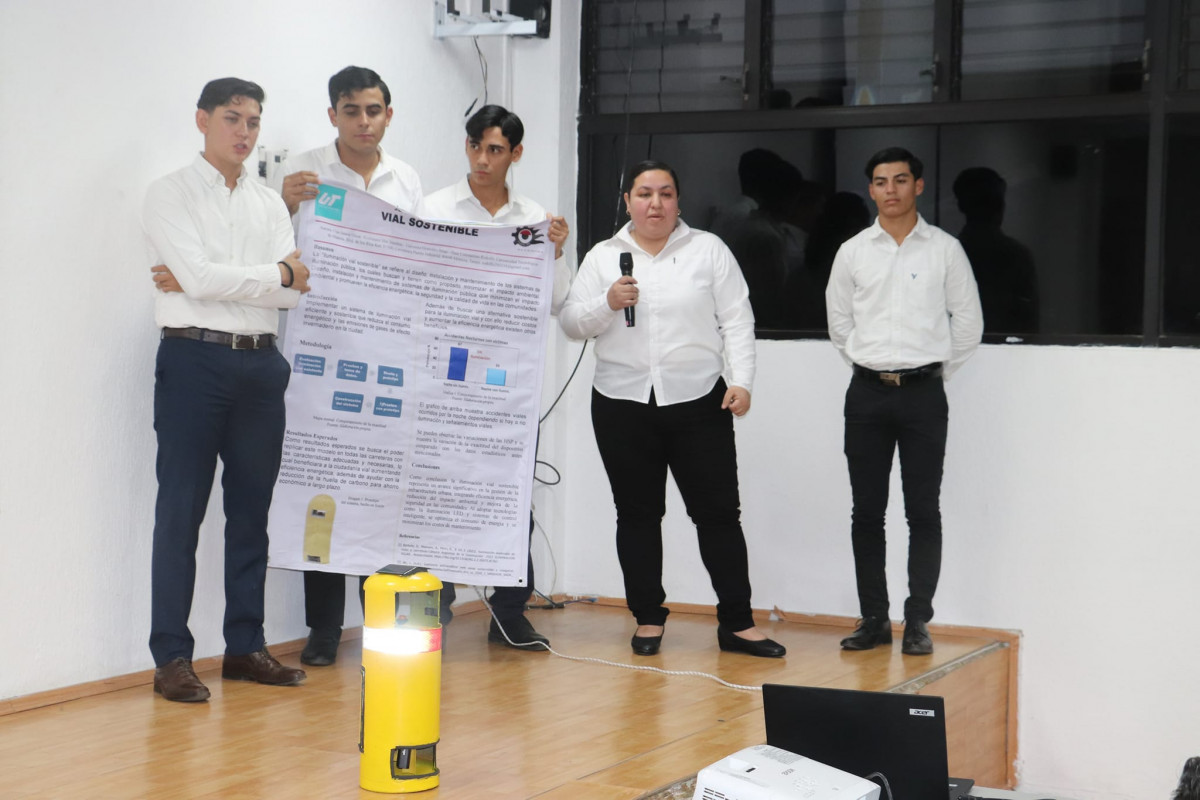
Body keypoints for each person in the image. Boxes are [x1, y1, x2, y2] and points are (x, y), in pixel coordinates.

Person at [560, 160, 785, 659]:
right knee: (637, 515)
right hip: (621, 403)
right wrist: (607, 302)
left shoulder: (709, 250)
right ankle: (647, 618)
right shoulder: (603, 257)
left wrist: (742, 382)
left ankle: (738, 624)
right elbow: (572, 323)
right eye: (644, 194)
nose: (655, 203)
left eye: (665, 193)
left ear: (678, 201)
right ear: (628, 202)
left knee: (719, 516)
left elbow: (737, 320)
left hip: (699, 400)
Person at [143, 77, 310, 702]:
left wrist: (216, 281)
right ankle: (172, 658)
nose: (244, 132)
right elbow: (205, 277)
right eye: (232, 118)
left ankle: (245, 647)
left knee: (250, 514)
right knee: (180, 513)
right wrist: (271, 274)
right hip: (194, 361)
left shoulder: (269, 204)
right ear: (203, 120)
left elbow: (293, 294)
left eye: (253, 122)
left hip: (261, 366)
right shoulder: (170, 193)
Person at [266, 66, 423, 668]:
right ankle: (324, 630)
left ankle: (382, 626)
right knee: (322, 491)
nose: (363, 121)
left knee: (379, 493)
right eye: (351, 110)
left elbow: (421, 258)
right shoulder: (304, 173)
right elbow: (269, 249)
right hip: (319, 359)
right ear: (333, 114)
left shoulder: (406, 179)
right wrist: (283, 203)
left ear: (388, 115)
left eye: (373, 110)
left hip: (387, 360)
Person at [420, 104, 572, 650]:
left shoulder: (533, 217)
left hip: (508, 385)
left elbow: (558, 301)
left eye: (496, 149)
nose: (483, 159)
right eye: (476, 146)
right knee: (437, 495)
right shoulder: (434, 208)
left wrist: (556, 251)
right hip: (444, 377)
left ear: (516, 154)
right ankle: (434, 606)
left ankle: (510, 613)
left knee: (510, 500)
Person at [825, 147, 983, 656]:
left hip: (923, 398)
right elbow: (839, 324)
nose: (889, 189)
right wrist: (869, 365)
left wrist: (932, 372)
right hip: (866, 396)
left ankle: (917, 621)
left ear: (918, 185)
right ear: (870, 190)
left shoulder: (945, 250)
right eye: (880, 181)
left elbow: (969, 324)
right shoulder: (852, 252)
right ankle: (874, 620)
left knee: (923, 511)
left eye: (899, 180)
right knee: (867, 513)